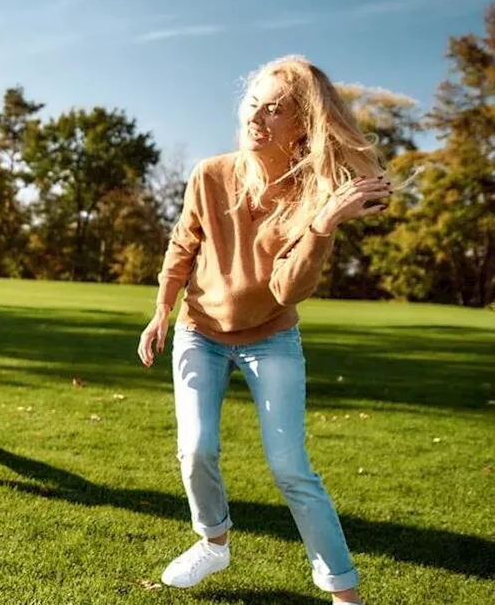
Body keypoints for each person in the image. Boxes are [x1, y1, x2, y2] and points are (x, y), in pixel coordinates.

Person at [137, 55, 390, 604]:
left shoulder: (311, 198)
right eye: (253, 104)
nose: (257, 117)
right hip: (199, 330)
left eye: (274, 110)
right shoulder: (210, 173)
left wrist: (322, 225)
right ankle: (214, 541)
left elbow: (285, 291)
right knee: (196, 448)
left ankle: (344, 592)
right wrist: (162, 309)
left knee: (290, 467)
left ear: (301, 125)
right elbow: (183, 245)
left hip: (271, 338)